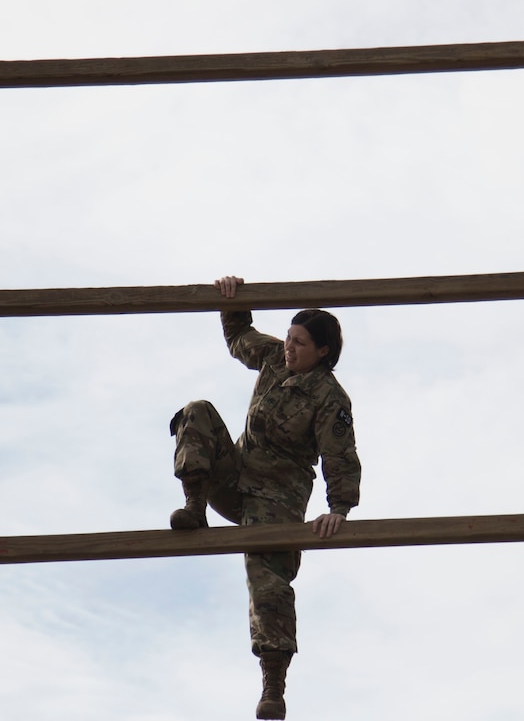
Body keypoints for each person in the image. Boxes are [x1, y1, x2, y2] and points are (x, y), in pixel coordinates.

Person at [168, 275, 361, 720]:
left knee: (267, 578)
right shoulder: (275, 358)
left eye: (300, 344)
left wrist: (338, 510)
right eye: (289, 339)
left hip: (277, 498)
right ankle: (195, 506)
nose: (290, 348)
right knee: (196, 410)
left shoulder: (329, 398)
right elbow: (239, 337)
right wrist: (233, 298)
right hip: (234, 478)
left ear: (323, 352)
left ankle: (273, 682)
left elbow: (340, 456)